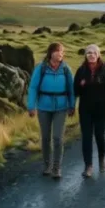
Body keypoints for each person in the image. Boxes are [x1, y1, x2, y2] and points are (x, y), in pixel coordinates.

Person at [27, 42, 75, 180]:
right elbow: (33, 88)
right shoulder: (41, 68)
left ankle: (56, 167)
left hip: (61, 108)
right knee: (46, 138)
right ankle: (47, 165)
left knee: (58, 138)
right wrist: (31, 106)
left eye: (62, 51)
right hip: (43, 108)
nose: (61, 54)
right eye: (58, 51)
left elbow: (71, 90)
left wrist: (72, 106)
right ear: (51, 53)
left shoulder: (66, 69)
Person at [74, 44, 105, 177]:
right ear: (85, 55)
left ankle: (102, 159)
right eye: (88, 53)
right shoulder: (81, 70)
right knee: (86, 137)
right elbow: (75, 91)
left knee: (100, 135)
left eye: (94, 53)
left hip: (101, 108)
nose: (91, 55)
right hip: (85, 109)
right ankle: (88, 166)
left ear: (98, 55)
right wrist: (80, 86)